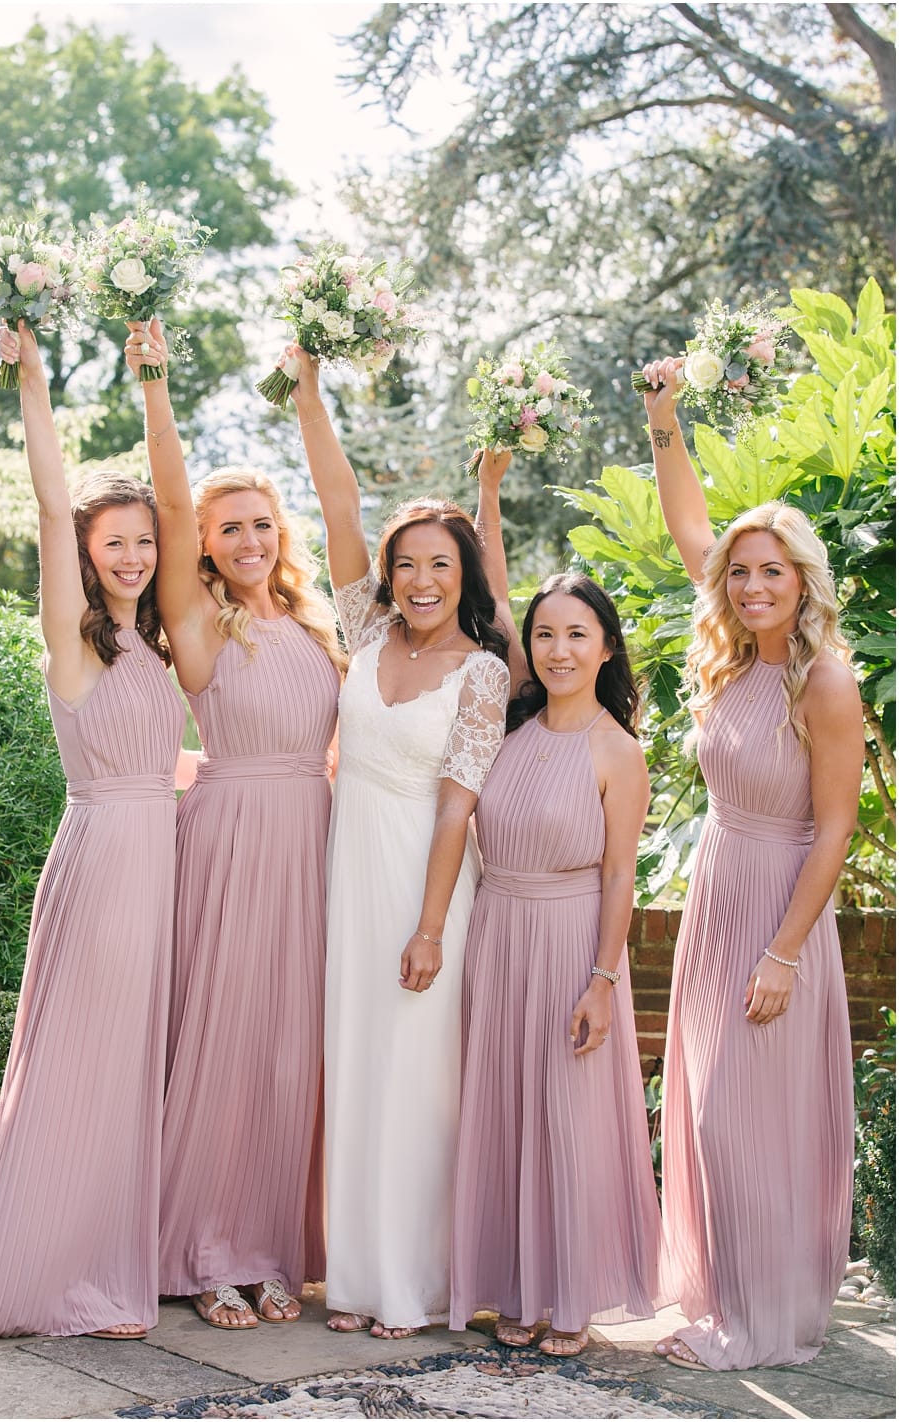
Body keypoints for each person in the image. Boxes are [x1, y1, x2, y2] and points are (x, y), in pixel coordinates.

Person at [0, 322, 185, 1339]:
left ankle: (98, 1266)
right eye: (113, 543)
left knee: (130, 1071)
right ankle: (44, 1276)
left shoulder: (153, 643)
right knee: (82, 1063)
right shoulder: (73, 637)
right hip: (103, 866)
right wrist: (34, 385)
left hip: (158, 858)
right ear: (89, 556)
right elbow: (52, 509)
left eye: (143, 541)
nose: (132, 557)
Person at [638, 356, 864, 1371]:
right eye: (740, 570)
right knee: (702, 1105)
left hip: (777, 910)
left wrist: (780, 954)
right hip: (715, 898)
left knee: (746, 1116)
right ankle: (727, 1298)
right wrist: (661, 421)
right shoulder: (733, 656)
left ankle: (760, 1327)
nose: (750, 583)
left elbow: (834, 829)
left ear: (801, 580)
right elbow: (691, 527)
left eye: (771, 570)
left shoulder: (823, 683)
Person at [286, 344, 510, 1339]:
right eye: (407, 563)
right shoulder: (364, 630)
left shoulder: (483, 674)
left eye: (440, 566)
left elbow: (459, 806)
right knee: (357, 1061)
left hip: (428, 884)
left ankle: (414, 1284)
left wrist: (429, 929)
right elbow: (337, 506)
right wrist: (309, 393)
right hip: (349, 875)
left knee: (418, 1075)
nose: (420, 579)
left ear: (461, 577)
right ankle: (357, 1275)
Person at [125, 322, 343, 1330]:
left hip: (313, 838)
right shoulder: (201, 617)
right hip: (231, 834)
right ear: (204, 545)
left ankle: (271, 1248)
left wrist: (308, 391)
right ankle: (206, 1249)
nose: (248, 540)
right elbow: (169, 500)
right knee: (224, 1037)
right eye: (229, 529)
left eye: (261, 524)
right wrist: (154, 383)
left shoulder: (311, 626)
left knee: (288, 1049)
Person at [448, 451, 665, 1356]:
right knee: (502, 1113)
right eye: (546, 635)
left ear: (606, 646)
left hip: (574, 939)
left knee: (568, 1124)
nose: (559, 649)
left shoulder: (619, 752)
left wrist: (602, 981)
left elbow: (622, 876)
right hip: (498, 931)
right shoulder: (511, 726)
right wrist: (488, 495)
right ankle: (517, 1289)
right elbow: (494, 599)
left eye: (579, 634)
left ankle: (569, 1298)